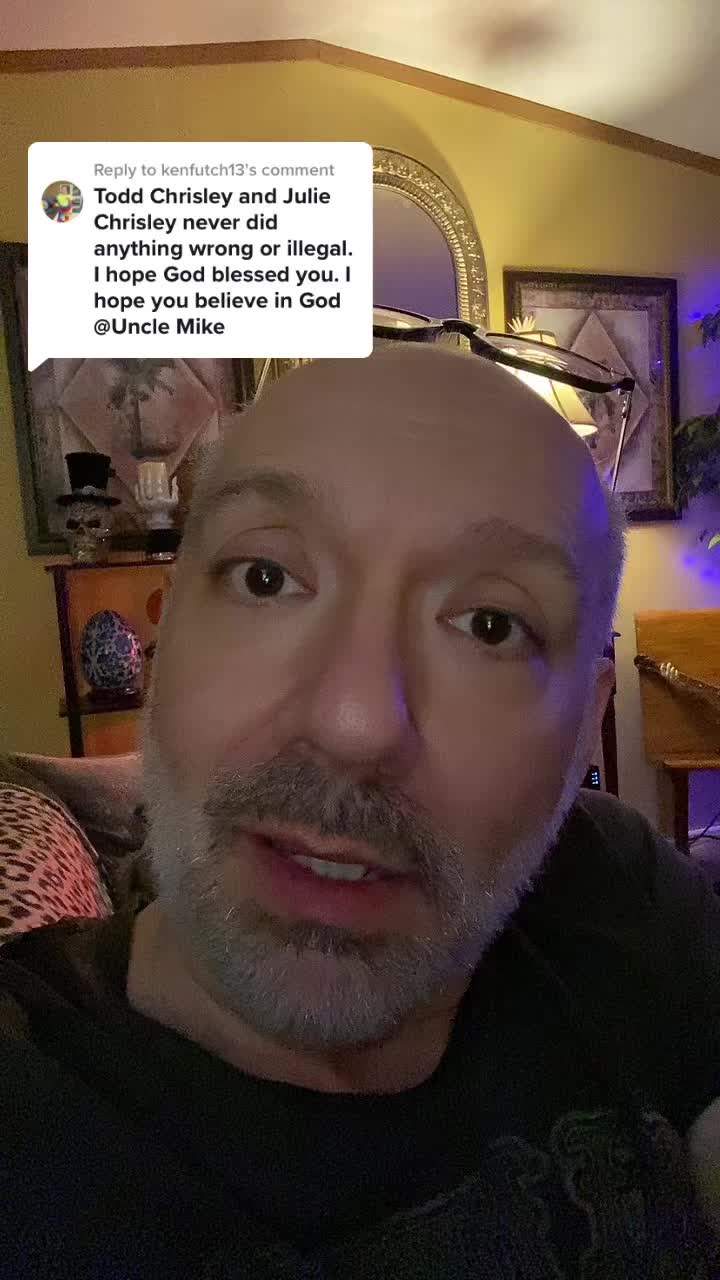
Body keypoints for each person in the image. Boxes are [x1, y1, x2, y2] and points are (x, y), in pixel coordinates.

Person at [2, 345, 720, 1277]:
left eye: (491, 626)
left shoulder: (620, 888)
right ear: (164, 641)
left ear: (588, 726)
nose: (356, 724)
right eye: (266, 578)